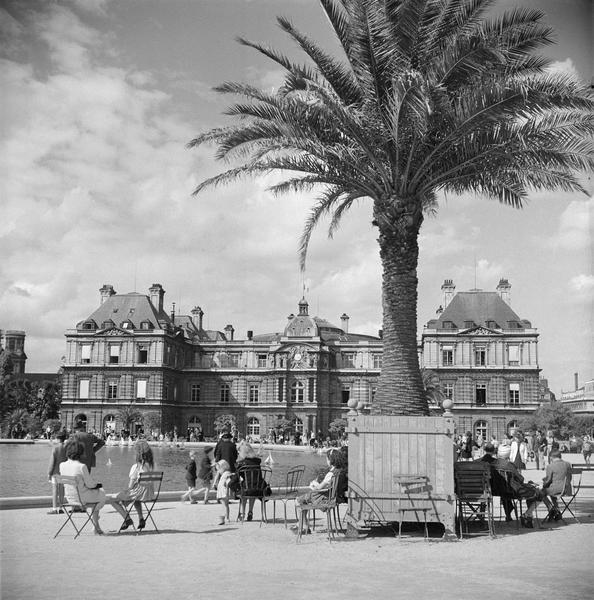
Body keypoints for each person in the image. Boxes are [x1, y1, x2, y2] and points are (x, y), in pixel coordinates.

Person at [59, 439, 108, 534]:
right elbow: (90, 485)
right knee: (101, 493)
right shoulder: (81, 466)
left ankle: (96, 526)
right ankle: (95, 524)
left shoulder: (62, 465)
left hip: (70, 497)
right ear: (80, 453)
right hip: (82, 498)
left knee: (97, 495)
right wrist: (97, 485)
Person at [294, 449, 342, 534]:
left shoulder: (330, 474)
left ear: (331, 460)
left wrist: (314, 484)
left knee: (298, 501)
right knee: (303, 501)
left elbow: (319, 487)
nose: (326, 461)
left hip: (323, 499)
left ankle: (303, 526)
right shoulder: (338, 471)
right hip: (330, 497)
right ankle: (302, 525)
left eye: (327, 459)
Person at [114, 440, 157, 530]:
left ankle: (127, 519)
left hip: (139, 493)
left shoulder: (136, 467)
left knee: (114, 499)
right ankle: (141, 518)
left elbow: (130, 486)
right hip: (150, 493)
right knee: (135, 497)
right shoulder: (154, 465)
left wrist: (125, 492)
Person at [235, 441, 270, 521]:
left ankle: (242, 513)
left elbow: (236, 477)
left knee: (244, 490)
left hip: (247, 489)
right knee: (252, 488)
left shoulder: (242, 463)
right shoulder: (257, 462)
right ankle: (250, 512)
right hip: (258, 489)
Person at [540, 449, 573, 521]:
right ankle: (557, 511)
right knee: (551, 490)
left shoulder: (550, 466)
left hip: (556, 489)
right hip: (567, 489)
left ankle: (551, 508)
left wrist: (544, 484)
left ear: (551, 457)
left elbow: (548, 481)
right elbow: (570, 477)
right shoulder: (568, 464)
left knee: (540, 492)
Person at [47, 430, 68, 514]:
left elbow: (52, 462)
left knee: (55, 490)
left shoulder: (55, 448)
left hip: (55, 472)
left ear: (58, 438)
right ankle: (61, 508)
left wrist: (49, 473)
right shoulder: (67, 447)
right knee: (62, 489)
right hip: (64, 472)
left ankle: (54, 509)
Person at [215, 459, 233, 524]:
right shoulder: (226, 473)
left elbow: (228, 482)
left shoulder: (226, 474)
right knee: (225, 505)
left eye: (219, 469)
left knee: (225, 505)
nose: (218, 471)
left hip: (224, 492)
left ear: (223, 467)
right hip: (223, 491)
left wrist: (228, 490)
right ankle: (225, 517)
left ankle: (226, 518)